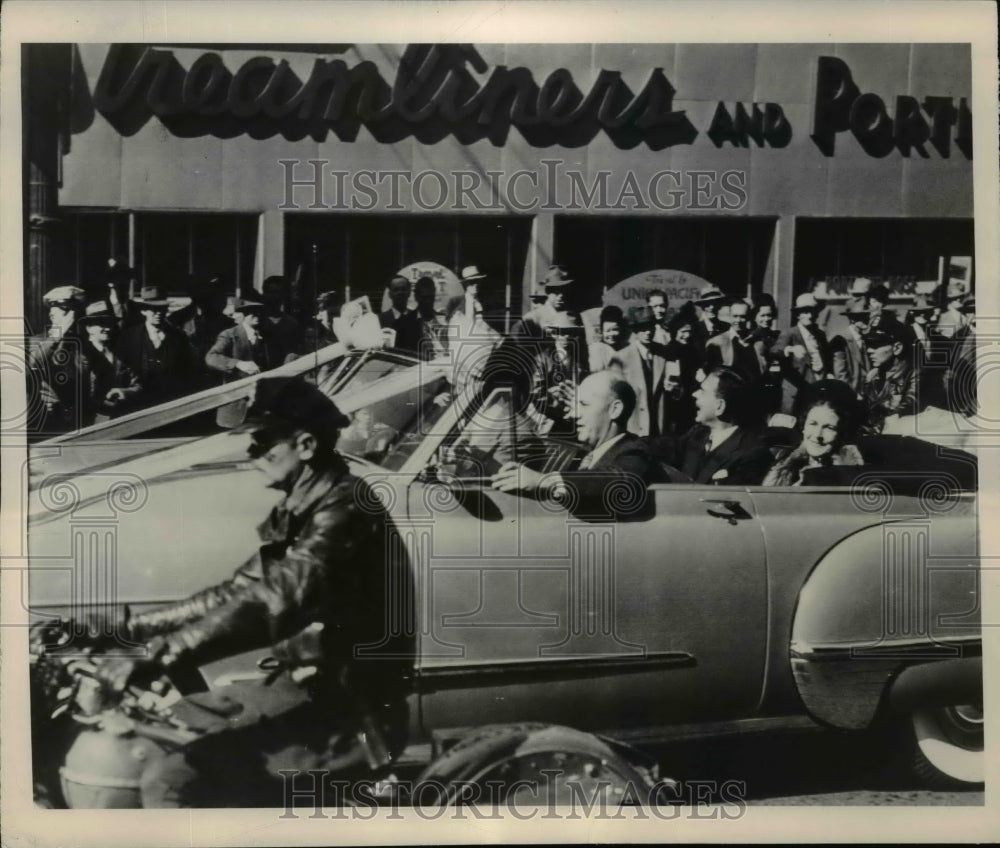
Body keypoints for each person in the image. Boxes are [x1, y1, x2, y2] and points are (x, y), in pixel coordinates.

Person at [93, 376, 414, 807]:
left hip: (351, 713)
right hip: (303, 689)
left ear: (305, 445)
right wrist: (125, 628)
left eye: (263, 442)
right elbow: (233, 592)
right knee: (158, 735)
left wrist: (162, 652)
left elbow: (274, 600)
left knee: (172, 782)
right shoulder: (305, 504)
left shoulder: (347, 509)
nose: (251, 453)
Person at [491, 370, 657, 521]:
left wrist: (543, 480)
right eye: (575, 405)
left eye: (584, 405)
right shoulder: (586, 454)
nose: (574, 414)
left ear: (615, 410)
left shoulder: (634, 451)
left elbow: (623, 481)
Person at [649, 367, 773, 485]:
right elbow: (663, 446)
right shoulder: (698, 433)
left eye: (702, 391)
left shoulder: (753, 454)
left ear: (720, 407)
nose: (694, 394)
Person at [763, 381, 865, 486]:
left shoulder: (852, 476)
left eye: (829, 427)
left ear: (842, 433)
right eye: (813, 424)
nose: (817, 435)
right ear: (803, 427)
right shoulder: (783, 465)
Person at [115, 286, 199, 408]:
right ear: (143, 311)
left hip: (171, 401)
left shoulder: (179, 337)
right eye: (153, 309)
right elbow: (122, 370)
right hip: (139, 403)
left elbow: (187, 370)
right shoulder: (129, 337)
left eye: (162, 308)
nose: (158, 313)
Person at [27, 286, 88, 434]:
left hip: (78, 420)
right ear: (52, 314)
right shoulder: (37, 342)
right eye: (66, 311)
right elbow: (32, 366)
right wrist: (56, 337)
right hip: (47, 419)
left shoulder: (82, 344)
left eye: (74, 311)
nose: (72, 317)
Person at [77, 302, 144, 423]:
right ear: (88, 328)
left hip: (122, 419)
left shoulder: (120, 355)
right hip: (89, 422)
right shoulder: (80, 355)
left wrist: (124, 392)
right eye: (101, 324)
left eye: (109, 324)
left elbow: (138, 384)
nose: (107, 329)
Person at [614, 305, 668, 437]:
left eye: (651, 327)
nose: (648, 332)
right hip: (633, 427)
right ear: (635, 330)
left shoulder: (663, 354)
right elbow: (614, 395)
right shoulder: (621, 357)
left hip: (659, 427)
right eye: (643, 328)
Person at [774, 293, 832, 414]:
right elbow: (775, 351)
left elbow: (827, 359)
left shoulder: (820, 335)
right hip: (796, 392)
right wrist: (790, 349)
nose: (810, 316)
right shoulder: (790, 333)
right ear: (798, 314)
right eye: (805, 312)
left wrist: (829, 374)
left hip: (818, 390)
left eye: (813, 312)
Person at [861, 323, 919, 432]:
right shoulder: (871, 376)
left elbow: (908, 407)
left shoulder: (914, 375)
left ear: (897, 348)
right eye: (868, 345)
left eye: (876, 345)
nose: (869, 351)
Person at [206, 298, 275, 380]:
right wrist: (238, 364)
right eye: (252, 312)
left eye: (259, 311)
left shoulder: (266, 335)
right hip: (237, 387)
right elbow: (211, 357)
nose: (257, 315)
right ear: (244, 314)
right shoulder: (229, 334)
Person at [830, 296, 871, 397]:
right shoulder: (841, 340)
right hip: (850, 396)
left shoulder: (866, 338)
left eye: (867, 315)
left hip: (866, 395)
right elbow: (840, 374)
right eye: (862, 316)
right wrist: (852, 394)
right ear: (852, 319)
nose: (867, 319)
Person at [259, 275, 304, 363]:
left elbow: (297, 351)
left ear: (284, 296)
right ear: (264, 294)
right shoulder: (256, 321)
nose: (274, 297)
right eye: (270, 292)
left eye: (278, 292)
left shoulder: (292, 323)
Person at [379, 275, 425, 353]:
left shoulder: (418, 319)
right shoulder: (380, 320)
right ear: (390, 294)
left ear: (409, 292)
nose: (400, 293)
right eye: (395, 290)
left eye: (403, 289)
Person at [413, 275, 447, 359]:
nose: (427, 302)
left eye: (430, 297)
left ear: (434, 294)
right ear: (416, 296)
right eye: (424, 298)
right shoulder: (407, 323)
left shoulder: (444, 320)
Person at [690, 285, 730, 352]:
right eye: (707, 304)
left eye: (715, 303)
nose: (712, 307)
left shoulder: (726, 328)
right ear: (702, 307)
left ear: (720, 305)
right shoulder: (694, 329)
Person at [588, 305, 625, 372]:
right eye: (607, 331)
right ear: (602, 332)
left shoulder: (624, 347)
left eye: (615, 330)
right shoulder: (597, 348)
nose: (611, 334)